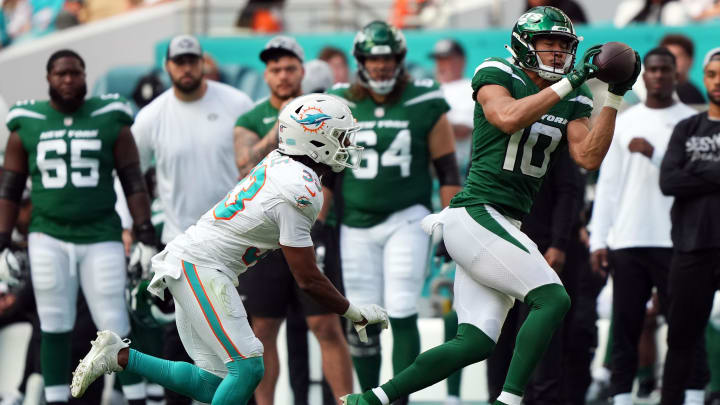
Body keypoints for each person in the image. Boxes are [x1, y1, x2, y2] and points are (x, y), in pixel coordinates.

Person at [341, 6, 641, 405]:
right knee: (553, 298)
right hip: (476, 212)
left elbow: (587, 156)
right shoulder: (499, 71)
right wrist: (571, 81)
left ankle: (373, 399)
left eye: (563, 45)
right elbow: (505, 117)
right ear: (523, 44)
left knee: (474, 343)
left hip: (506, 221)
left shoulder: (576, 97)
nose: (556, 52)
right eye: (547, 43)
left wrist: (616, 97)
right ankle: (509, 401)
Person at [68, 93, 390, 405]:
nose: (347, 144)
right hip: (200, 266)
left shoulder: (283, 162)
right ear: (315, 139)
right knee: (248, 367)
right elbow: (307, 278)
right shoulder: (300, 189)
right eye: (340, 136)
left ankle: (120, 355)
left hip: (198, 264)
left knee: (215, 384)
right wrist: (352, 311)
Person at [0, 49, 156, 405]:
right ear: (48, 78)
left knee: (115, 324)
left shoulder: (110, 115)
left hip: (101, 233)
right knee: (53, 323)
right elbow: (10, 186)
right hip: (47, 235)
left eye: (75, 73)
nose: (68, 79)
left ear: (86, 76)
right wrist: (3, 240)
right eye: (60, 73)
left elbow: (133, 179)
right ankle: (56, 399)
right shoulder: (27, 119)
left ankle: (136, 398)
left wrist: (145, 231)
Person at [327, 21, 461, 405]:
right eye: (373, 58)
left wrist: (449, 225)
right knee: (362, 317)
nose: (381, 66)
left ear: (399, 60)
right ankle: (369, 397)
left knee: (402, 307)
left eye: (387, 59)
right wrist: (319, 228)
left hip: (407, 216)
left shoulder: (424, 99)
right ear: (361, 61)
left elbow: (447, 169)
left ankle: (398, 398)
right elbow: (327, 175)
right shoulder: (340, 101)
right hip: (355, 222)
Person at [130, 33, 254, 405]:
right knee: (180, 339)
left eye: (192, 60)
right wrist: (133, 229)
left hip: (234, 240)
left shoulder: (236, 102)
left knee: (240, 339)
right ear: (168, 66)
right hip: (180, 241)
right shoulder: (152, 115)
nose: (186, 68)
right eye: (179, 62)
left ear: (203, 62)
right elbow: (129, 173)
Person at [234, 36, 355, 405]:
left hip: (312, 230)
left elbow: (337, 165)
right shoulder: (251, 117)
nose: (283, 76)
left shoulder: (325, 109)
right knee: (263, 329)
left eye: (290, 68)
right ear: (266, 75)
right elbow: (245, 165)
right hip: (265, 235)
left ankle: (345, 400)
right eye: (275, 70)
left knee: (326, 325)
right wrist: (283, 124)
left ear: (303, 71)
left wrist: (318, 221)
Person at [589, 47, 705, 405]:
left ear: (676, 74)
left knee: (686, 329)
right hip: (628, 240)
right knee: (625, 328)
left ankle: (693, 396)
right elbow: (607, 185)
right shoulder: (623, 122)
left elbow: (700, 182)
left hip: (678, 241)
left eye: (664, 69)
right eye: (652, 69)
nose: (657, 75)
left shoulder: (692, 123)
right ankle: (622, 397)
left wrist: (655, 154)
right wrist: (598, 240)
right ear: (644, 76)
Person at [659, 47, 720, 405]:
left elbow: (682, 176)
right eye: (712, 75)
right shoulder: (687, 127)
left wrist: (695, 170)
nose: (718, 83)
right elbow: (669, 182)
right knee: (680, 338)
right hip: (691, 248)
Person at [429, 38, 474, 175]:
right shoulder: (428, 87)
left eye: (446, 59)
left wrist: (429, 119)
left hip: (456, 167)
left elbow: (463, 131)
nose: (441, 65)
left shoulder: (471, 88)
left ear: (462, 61)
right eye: (438, 60)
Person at [659, 34, 706, 104]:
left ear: (690, 61)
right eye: (666, 56)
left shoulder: (693, 94)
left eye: (677, 56)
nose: (671, 61)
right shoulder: (652, 93)